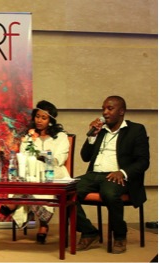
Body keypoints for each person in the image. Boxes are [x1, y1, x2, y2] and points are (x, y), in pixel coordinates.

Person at [75, 95, 149, 254]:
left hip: (115, 176)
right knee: (66, 192)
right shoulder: (99, 131)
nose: (105, 113)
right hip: (94, 174)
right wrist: (92, 135)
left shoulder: (136, 130)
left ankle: (120, 236)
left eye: (109, 108)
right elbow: (85, 157)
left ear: (121, 111)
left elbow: (143, 161)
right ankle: (89, 231)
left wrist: (123, 172)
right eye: (103, 109)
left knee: (109, 193)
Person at [0, 100, 70, 244]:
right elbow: (24, 157)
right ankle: (43, 225)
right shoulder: (29, 136)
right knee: (28, 179)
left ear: (51, 120)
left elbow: (59, 159)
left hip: (53, 172)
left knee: (34, 181)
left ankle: (13, 203)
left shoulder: (61, 137)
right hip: (32, 172)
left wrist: (42, 156)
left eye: (44, 118)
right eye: (37, 116)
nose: (39, 120)